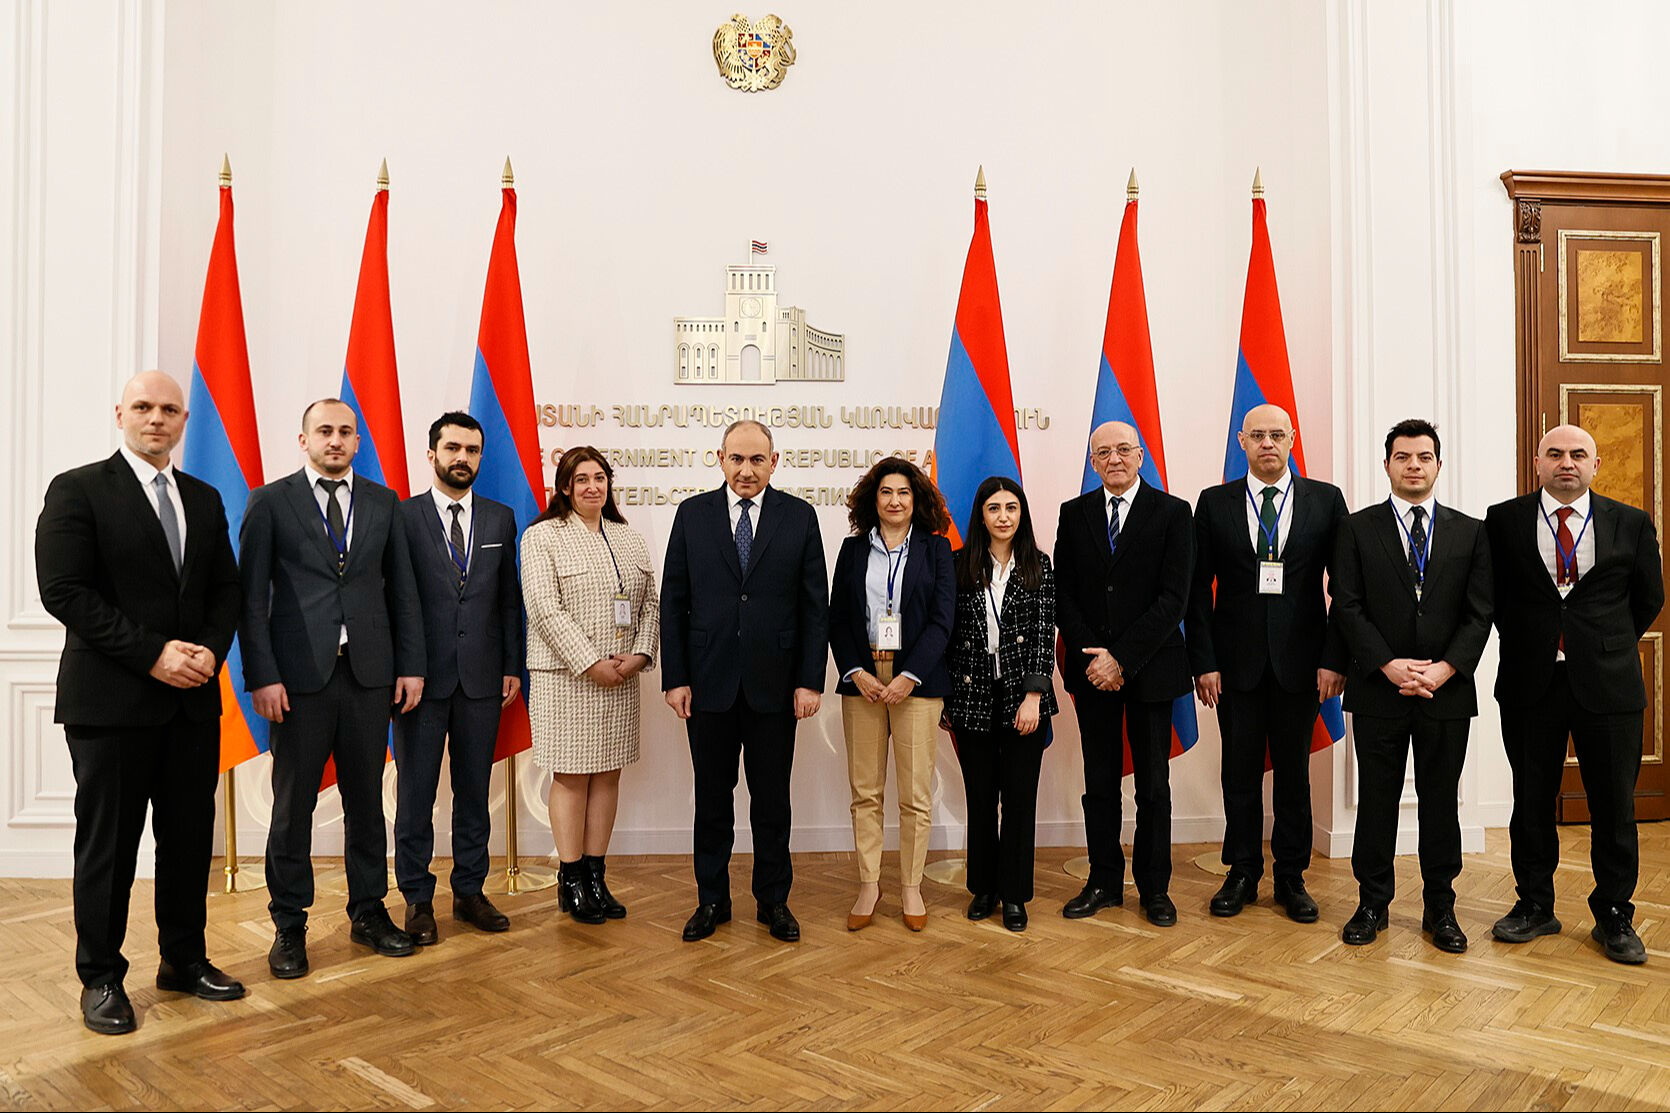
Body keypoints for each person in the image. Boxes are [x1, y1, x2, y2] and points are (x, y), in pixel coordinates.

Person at [36, 371, 244, 1034]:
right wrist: (154, 653)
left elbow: (226, 591)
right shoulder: (78, 489)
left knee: (186, 843)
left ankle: (184, 959)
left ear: (184, 421)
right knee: (110, 848)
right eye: (145, 407)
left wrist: (210, 649)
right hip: (112, 704)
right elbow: (64, 591)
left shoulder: (204, 497)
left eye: (170, 409)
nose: (157, 418)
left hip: (192, 704)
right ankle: (100, 976)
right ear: (120, 413)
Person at [239, 398, 425, 978]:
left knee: (367, 801)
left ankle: (369, 912)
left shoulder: (383, 502)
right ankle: (289, 925)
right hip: (298, 681)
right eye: (325, 431)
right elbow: (251, 600)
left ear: (358, 441)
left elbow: (402, 591)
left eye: (347, 431)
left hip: (369, 675)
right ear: (303, 440)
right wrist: (262, 675)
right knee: (293, 805)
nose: (336, 440)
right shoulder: (270, 502)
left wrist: (410, 665)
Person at [1487, 423, 1663, 965]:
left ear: (1596, 464)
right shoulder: (1504, 520)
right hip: (1529, 682)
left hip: (1608, 686)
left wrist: (1601, 645)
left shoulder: (1629, 522)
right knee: (1531, 801)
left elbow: (1648, 598)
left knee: (1613, 806)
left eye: (1578, 454)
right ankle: (1535, 905)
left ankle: (1614, 913)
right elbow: (1488, 595)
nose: (1567, 462)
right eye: (1555, 453)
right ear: (1537, 462)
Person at [661, 420, 828, 943]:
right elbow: (674, 601)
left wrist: (809, 681)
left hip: (776, 687)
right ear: (720, 458)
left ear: (774, 463)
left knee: (772, 799)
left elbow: (813, 607)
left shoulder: (799, 517)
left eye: (757, 460)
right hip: (707, 685)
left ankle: (774, 900)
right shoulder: (692, 515)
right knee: (712, 798)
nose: (747, 470)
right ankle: (711, 899)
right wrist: (676, 677)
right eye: (737, 459)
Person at [1328, 419, 1491, 953]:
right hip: (1380, 690)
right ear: (1388, 465)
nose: (1414, 465)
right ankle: (1372, 902)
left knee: (1440, 802)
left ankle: (1440, 906)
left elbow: (1479, 613)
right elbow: (1346, 607)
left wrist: (1445, 669)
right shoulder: (1355, 528)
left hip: (1446, 691)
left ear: (1439, 465)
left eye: (1424, 457)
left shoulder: (1471, 531)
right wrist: (1387, 665)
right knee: (1376, 800)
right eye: (1403, 457)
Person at [1189, 402, 1348, 922]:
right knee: (1238, 773)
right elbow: (1197, 591)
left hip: (1303, 666)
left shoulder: (1325, 501)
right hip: (1234, 667)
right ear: (1241, 441)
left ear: (1292, 438)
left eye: (1277, 435)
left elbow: (1342, 588)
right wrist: (1204, 662)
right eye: (1257, 436)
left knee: (1294, 776)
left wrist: (1334, 658)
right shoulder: (1214, 503)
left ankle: (1291, 877)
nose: (1268, 444)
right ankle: (1241, 872)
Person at [1055, 421, 1194, 927]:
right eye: (1103, 452)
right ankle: (1103, 881)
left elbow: (1173, 599)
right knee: (1100, 782)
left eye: (1123, 450)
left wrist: (1121, 656)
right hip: (1093, 675)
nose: (1114, 459)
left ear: (1141, 456)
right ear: (1093, 462)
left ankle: (1155, 889)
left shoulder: (1174, 513)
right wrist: (1097, 659)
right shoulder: (1075, 514)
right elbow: (1062, 593)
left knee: (1154, 785)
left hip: (1150, 670)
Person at [393, 412, 523, 943]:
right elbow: (396, 602)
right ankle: (417, 899)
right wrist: (406, 669)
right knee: (416, 796)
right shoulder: (401, 518)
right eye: (453, 448)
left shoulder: (499, 518)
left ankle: (470, 891)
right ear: (432, 455)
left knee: (474, 792)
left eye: (472, 450)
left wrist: (512, 665)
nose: (462, 458)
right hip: (420, 685)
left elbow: (507, 599)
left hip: (483, 681)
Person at [522, 446, 658, 923]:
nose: (592, 487)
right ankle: (571, 878)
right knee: (572, 775)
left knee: (609, 774)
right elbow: (543, 609)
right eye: (581, 479)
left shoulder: (629, 538)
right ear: (564, 487)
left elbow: (650, 606)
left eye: (600, 478)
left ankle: (597, 877)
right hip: (566, 680)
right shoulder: (542, 538)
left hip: (622, 677)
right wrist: (589, 662)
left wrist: (639, 655)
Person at [828, 458, 955, 932]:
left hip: (916, 684)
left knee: (915, 795)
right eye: (886, 492)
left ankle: (910, 886)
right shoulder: (853, 549)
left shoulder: (936, 550)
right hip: (863, 680)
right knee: (865, 791)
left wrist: (910, 676)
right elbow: (838, 617)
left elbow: (944, 620)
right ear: (873, 499)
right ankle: (868, 884)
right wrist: (857, 671)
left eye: (904, 492)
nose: (895, 501)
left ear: (916, 499)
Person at [944, 476, 1058, 932]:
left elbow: (1043, 636)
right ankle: (983, 889)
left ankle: (1014, 894)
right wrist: (944, 698)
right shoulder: (957, 566)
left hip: (1021, 700)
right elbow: (947, 637)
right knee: (980, 797)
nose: (1004, 516)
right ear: (981, 516)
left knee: (1018, 799)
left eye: (1012, 508)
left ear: (1022, 514)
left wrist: (1034, 696)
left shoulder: (1039, 566)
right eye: (994, 508)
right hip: (971, 697)